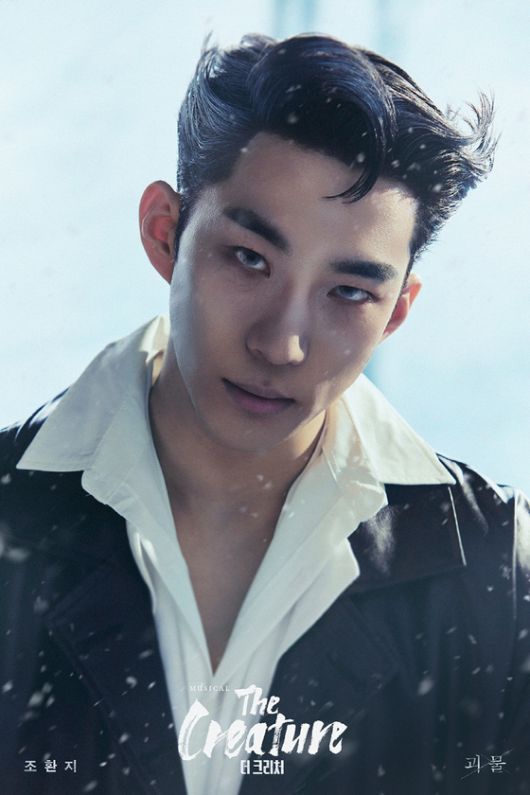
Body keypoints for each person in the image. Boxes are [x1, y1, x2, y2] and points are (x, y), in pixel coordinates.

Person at [0, 32, 528, 795]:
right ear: (164, 232)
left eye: (349, 292)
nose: (282, 343)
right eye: (250, 258)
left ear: (396, 312)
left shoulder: (498, 576)